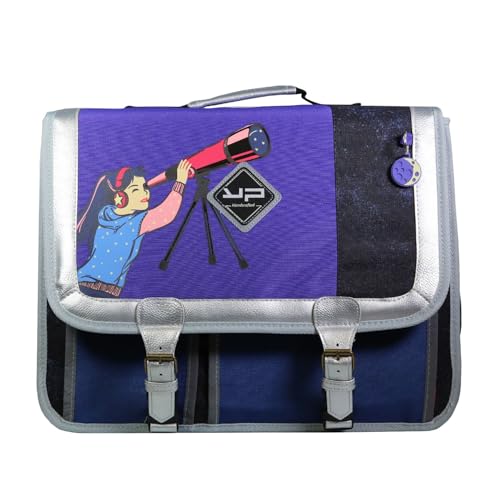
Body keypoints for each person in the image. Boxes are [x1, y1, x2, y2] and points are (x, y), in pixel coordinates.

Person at [76, 159, 192, 297]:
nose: (145, 193)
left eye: (145, 187)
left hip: (89, 286)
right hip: (96, 291)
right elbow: (166, 213)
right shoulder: (132, 224)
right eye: (136, 189)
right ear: (120, 196)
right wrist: (180, 182)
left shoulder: (106, 214)